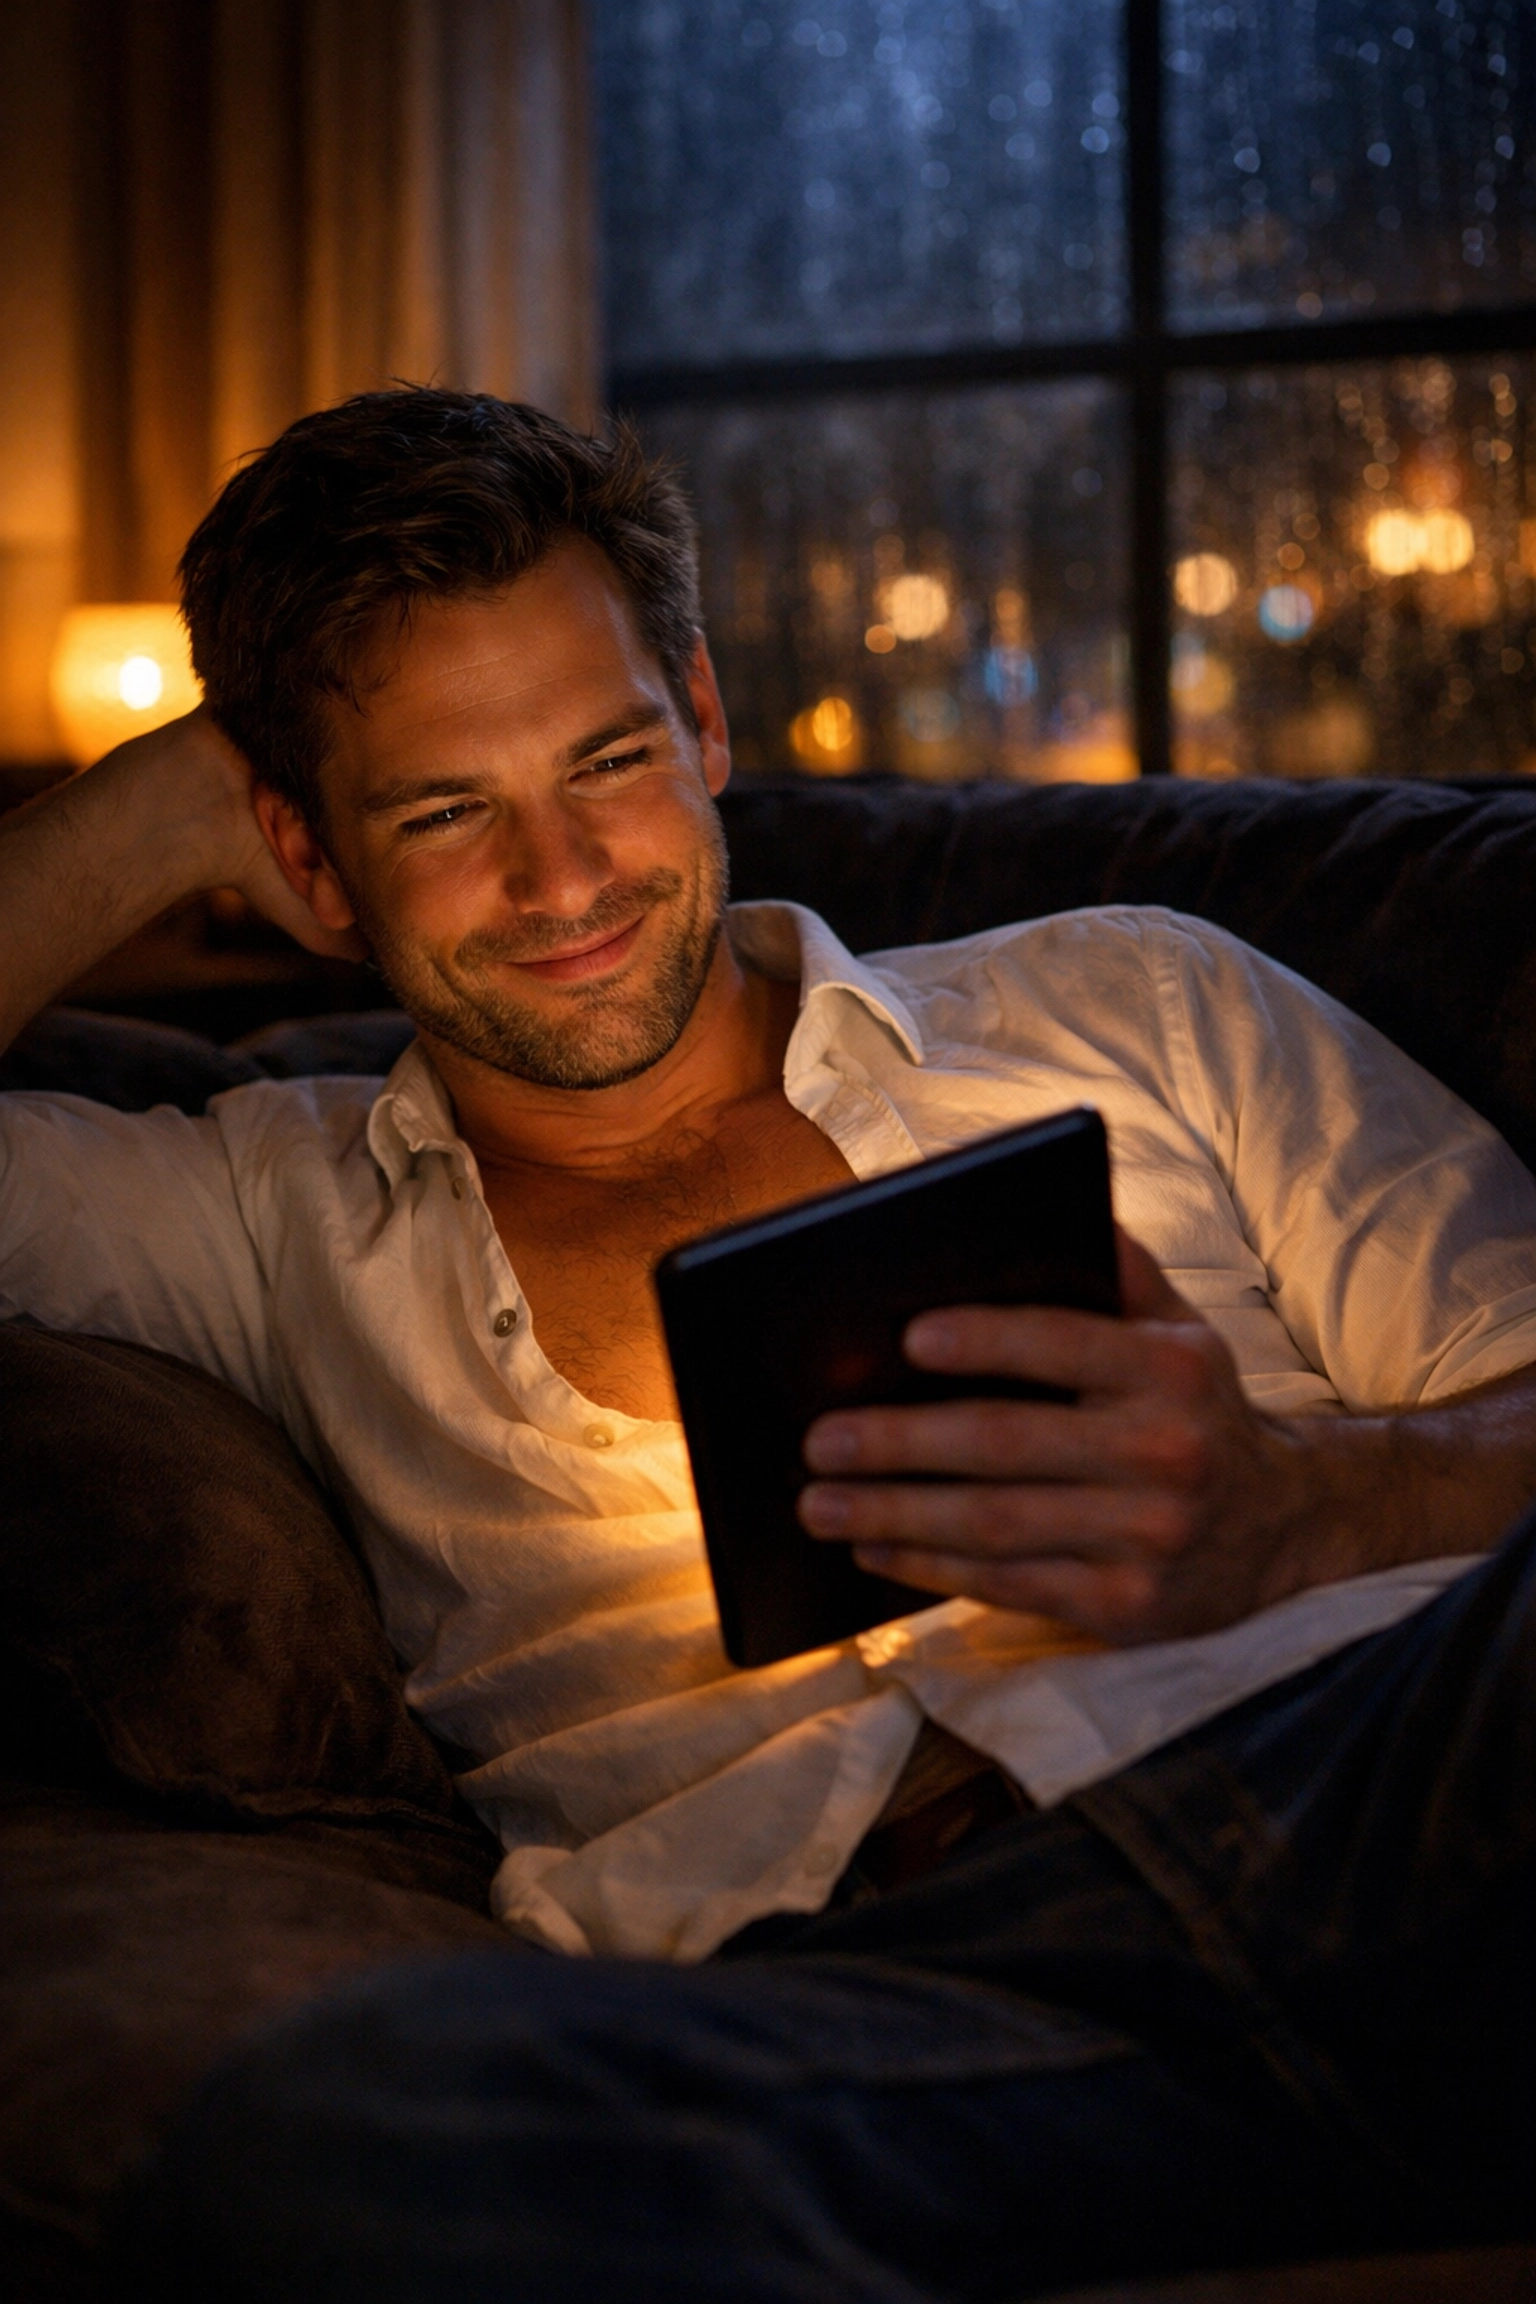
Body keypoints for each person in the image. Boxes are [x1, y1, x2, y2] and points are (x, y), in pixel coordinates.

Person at [1, 390, 1533, 2292]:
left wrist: (1302, 1505)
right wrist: (156, 809)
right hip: (905, 2020)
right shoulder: (248, 1213)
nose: (564, 882)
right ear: (309, 865)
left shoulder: (1138, 995)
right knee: (327, 2135)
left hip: (1383, 1794)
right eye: (443, 810)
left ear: (706, 722)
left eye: (610, 761)